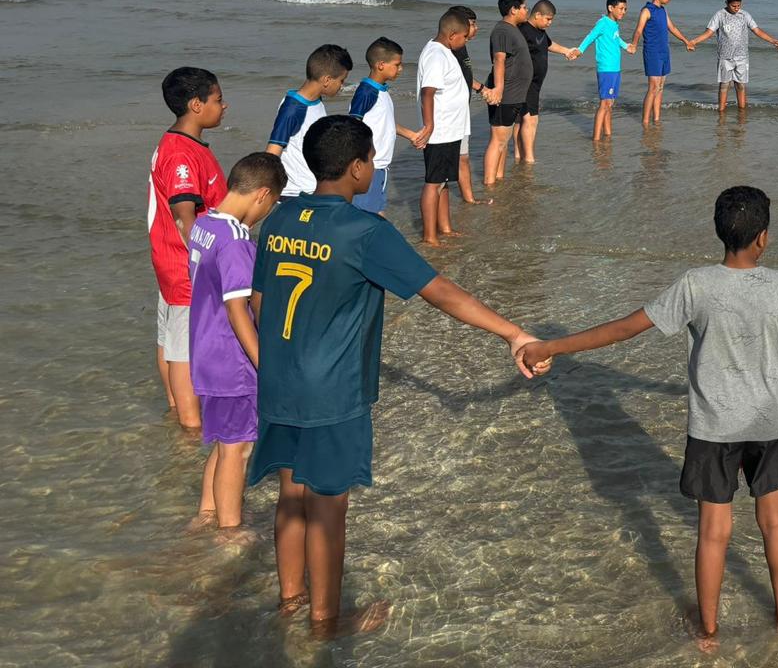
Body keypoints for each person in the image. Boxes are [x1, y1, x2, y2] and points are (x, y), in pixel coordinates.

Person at [512, 186, 778, 643]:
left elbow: (624, 330)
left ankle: (708, 632)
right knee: (775, 522)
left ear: (718, 232)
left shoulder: (695, 284)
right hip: (772, 422)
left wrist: (549, 346)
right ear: (764, 238)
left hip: (714, 426)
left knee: (713, 532)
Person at [249, 115, 539, 638]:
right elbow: (441, 291)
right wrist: (513, 333)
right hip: (331, 391)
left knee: (290, 494)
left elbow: (260, 301)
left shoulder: (279, 219)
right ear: (358, 168)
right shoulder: (365, 231)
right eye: (371, 162)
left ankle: (290, 601)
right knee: (328, 506)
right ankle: (326, 622)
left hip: (279, 379)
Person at [186, 152, 286, 534]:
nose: (267, 212)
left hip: (205, 352)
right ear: (262, 194)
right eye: (272, 203)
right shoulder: (236, 241)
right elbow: (239, 311)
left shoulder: (204, 224)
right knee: (238, 448)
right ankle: (229, 530)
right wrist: (265, 364)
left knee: (223, 440)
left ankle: (207, 513)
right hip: (233, 360)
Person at [148, 67, 229, 430]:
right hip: (184, 266)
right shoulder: (182, 155)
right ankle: (190, 422)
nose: (224, 106)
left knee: (168, 335)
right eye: (217, 99)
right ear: (196, 105)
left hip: (168, 261)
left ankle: (173, 406)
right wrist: (209, 263)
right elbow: (185, 218)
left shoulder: (177, 144)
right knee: (183, 346)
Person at [348, 38, 424, 217]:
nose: (401, 68)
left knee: (376, 212)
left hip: (380, 167)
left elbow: (385, 123)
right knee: (368, 216)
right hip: (370, 167)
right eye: (397, 64)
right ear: (381, 64)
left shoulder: (381, 91)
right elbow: (352, 127)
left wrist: (411, 135)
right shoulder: (367, 92)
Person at [266, 45, 353, 198]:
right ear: (327, 80)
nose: (342, 86)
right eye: (341, 80)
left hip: (315, 190)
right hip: (295, 195)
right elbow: (272, 155)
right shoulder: (292, 109)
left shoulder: (316, 101)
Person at [416, 10, 471, 246]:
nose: (466, 42)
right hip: (440, 132)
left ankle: (445, 228)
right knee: (434, 182)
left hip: (452, 130)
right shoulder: (436, 55)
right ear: (452, 35)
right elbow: (428, 91)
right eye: (464, 37)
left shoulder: (445, 51)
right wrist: (429, 125)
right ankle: (430, 236)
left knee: (445, 181)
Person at [687, 0, 778, 112]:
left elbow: (757, 30)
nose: (736, 8)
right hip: (725, 57)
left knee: (741, 86)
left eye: (738, 5)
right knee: (724, 85)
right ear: (726, 3)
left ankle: (742, 112)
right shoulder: (720, 15)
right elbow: (709, 32)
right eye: (733, 6)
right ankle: (721, 112)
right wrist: (694, 41)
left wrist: (773, 40)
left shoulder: (745, 15)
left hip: (742, 57)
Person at [516, 0, 580, 164]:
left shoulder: (540, 31)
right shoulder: (523, 30)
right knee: (530, 120)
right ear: (537, 15)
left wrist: (566, 51)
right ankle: (529, 158)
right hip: (526, 82)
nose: (550, 23)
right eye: (548, 19)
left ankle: (518, 155)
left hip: (536, 84)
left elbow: (549, 44)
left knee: (522, 120)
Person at [483, 0, 533, 188]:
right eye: (524, 7)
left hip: (514, 94)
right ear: (513, 9)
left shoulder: (513, 29)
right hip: (507, 94)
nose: (526, 10)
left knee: (503, 142)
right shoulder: (503, 30)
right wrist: (498, 89)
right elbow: (499, 59)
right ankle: (489, 184)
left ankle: (499, 178)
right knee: (498, 140)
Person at [630, 0, 694, 127]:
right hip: (652, 53)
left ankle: (657, 119)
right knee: (653, 87)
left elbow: (672, 27)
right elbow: (639, 30)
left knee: (660, 87)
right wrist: (634, 44)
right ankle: (645, 122)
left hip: (664, 52)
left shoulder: (663, 11)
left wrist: (686, 41)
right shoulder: (646, 11)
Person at [445, 5, 488, 206]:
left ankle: (469, 198)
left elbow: (465, 76)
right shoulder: (448, 50)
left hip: (461, 113)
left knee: (463, 156)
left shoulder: (461, 46)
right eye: (472, 24)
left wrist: (481, 89)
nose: (476, 28)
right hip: (448, 116)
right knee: (450, 161)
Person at [576, 0, 635, 142]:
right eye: (621, 8)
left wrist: (626, 46)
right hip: (606, 69)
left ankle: (608, 135)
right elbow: (591, 36)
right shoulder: (603, 22)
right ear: (611, 8)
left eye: (625, 9)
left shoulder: (614, 24)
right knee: (604, 103)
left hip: (615, 69)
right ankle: (596, 139)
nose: (623, 12)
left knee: (610, 103)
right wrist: (580, 50)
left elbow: (616, 38)